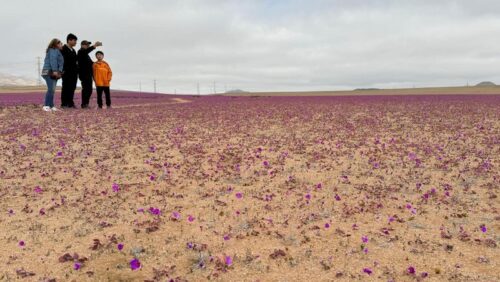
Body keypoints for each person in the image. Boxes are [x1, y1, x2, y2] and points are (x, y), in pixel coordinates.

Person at [77, 40, 102, 108]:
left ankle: (86, 103)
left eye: (88, 45)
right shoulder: (80, 52)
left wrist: (97, 63)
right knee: (86, 89)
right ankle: (84, 104)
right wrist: (94, 46)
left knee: (89, 90)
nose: (88, 46)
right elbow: (86, 51)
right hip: (84, 74)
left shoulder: (86, 55)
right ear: (82, 45)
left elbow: (91, 63)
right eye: (86, 44)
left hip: (88, 74)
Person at [41, 39, 64, 112]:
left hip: (52, 72)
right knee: (51, 89)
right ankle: (46, 105)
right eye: (60, 44)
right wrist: (54, 70)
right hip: (49, 71)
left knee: (52, 90)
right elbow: (53, 60)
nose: (61, 45)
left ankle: (51, 106)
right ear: (56, 44)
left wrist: (59, 71)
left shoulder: (57, 51)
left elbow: (60, 63)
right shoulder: (53, 50)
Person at [60, 33, 78, 108]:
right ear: (69, 40)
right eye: (74, 41)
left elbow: (76, 61)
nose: (76, 42)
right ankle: (64, 104)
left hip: (74, 73)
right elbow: (60, 61)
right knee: (66, 87)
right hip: (66, 72)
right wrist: (62, 70)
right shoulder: (63, 49)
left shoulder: (73, 50)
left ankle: (70, 103)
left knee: (72, 87)